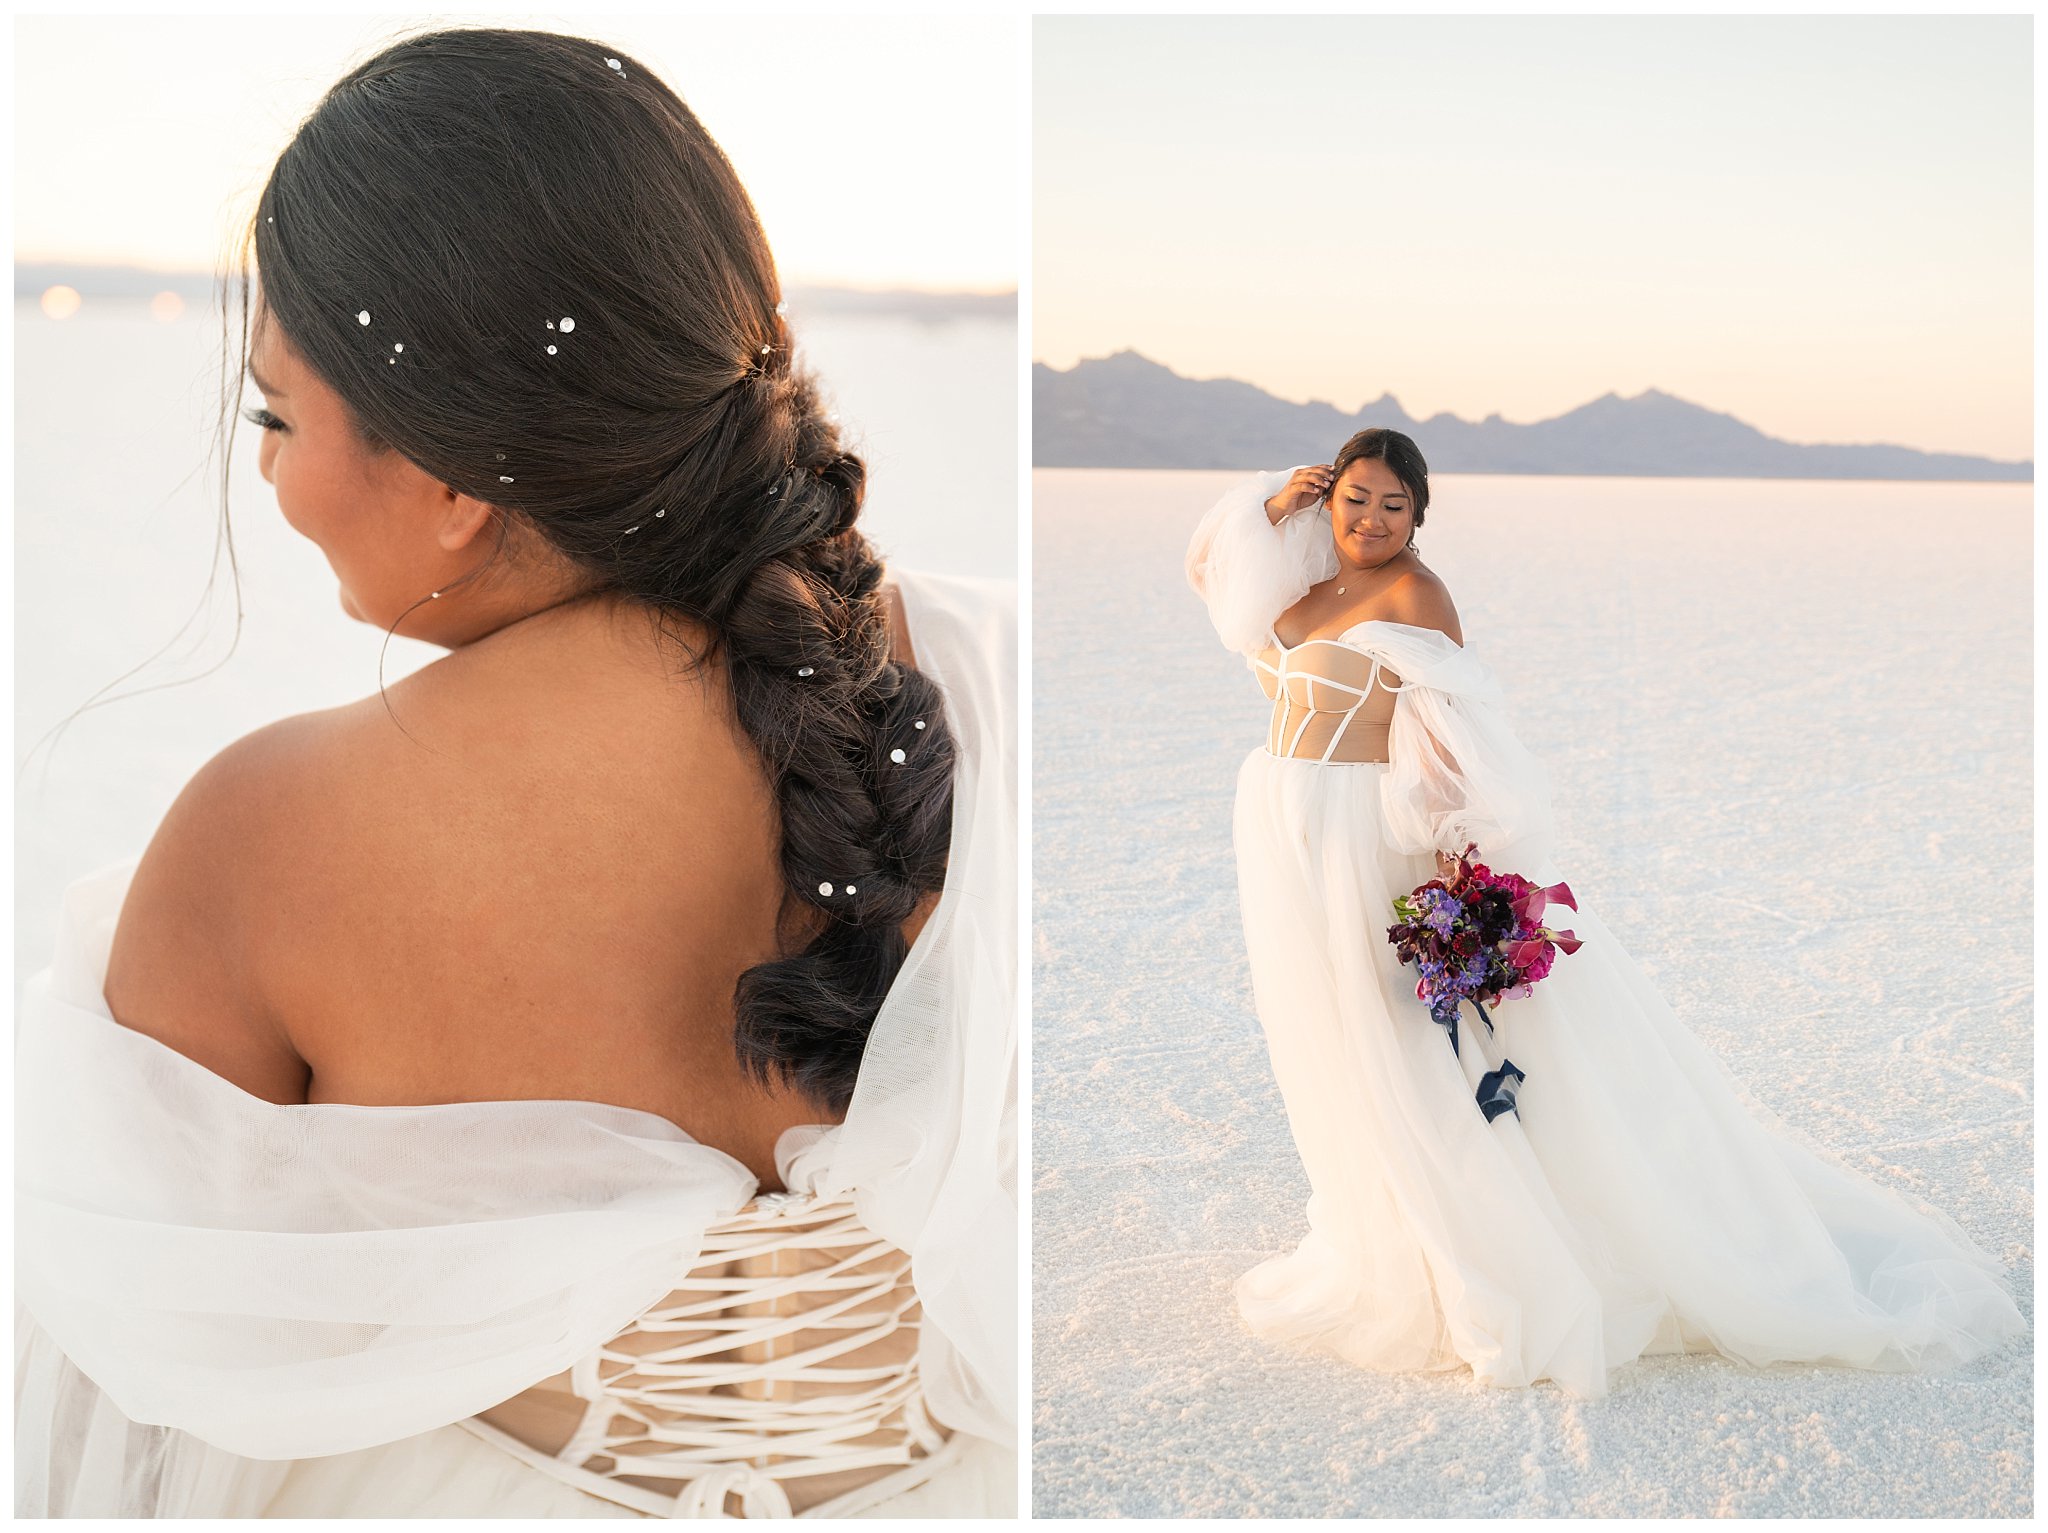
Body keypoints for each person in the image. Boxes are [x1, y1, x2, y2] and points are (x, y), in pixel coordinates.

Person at [16, 28, 1016, 1518]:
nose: (272, 478)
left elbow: (116, 1404)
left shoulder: (271, 835)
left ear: (450, 479)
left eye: (276, 417)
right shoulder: (991, 676)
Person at [1183, 427, 2024, 1398]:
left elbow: (1458, 737)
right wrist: (1277, 505)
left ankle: (1475, 1249)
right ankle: (1387, 1224)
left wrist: (1466, 871)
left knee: (1397, 1039)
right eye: (1354, 499)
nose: (1371, 520)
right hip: (1279, 826)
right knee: (1327, 1038)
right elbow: (1211, 574)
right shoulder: (1304, 573)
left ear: (1419, 516)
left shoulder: (1416, 596)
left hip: (1355, 834)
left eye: (1393, 505)